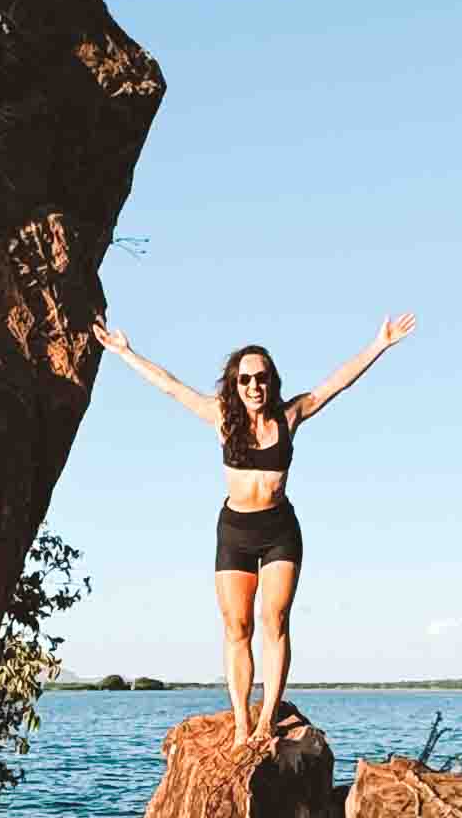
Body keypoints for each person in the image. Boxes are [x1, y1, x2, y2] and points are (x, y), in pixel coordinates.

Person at [90, 312, 418, 744]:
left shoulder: (291, 416)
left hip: (280, 530)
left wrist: (381, 343)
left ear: (271, 380)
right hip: (235, 533)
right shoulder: (222, 418)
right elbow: (169, 385)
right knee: (236, 628)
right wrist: (124, 352)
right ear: (235, 383)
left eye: (261, 378)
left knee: (275, 620)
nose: (253, 387)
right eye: (245, 379)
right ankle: (243, 722)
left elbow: (337, 383)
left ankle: (266, 721)